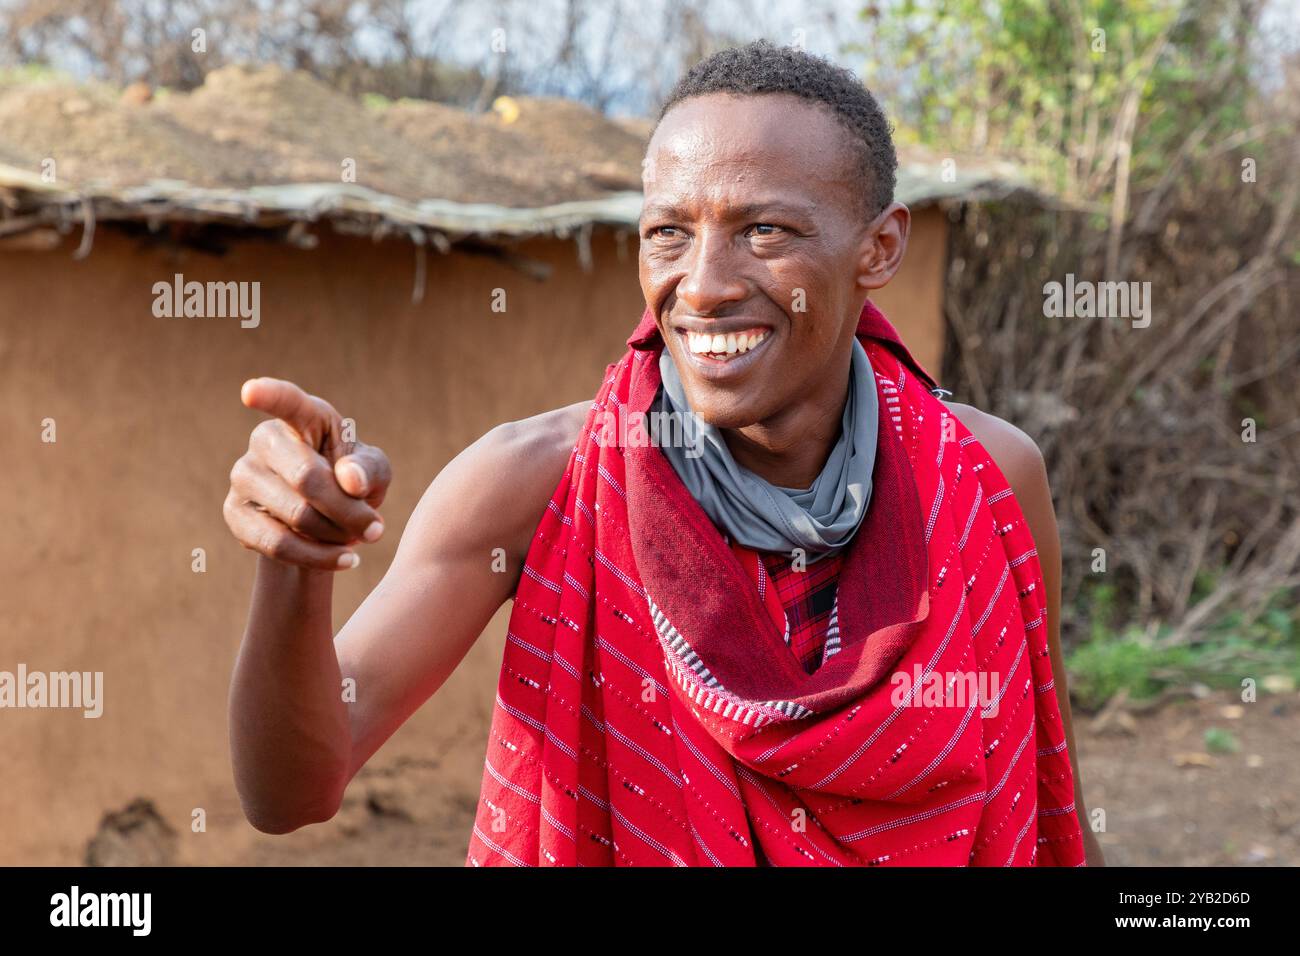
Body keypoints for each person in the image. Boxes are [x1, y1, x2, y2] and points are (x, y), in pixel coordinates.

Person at [223, 40, 1103, 866]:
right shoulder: (534, 483)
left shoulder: (984, 478)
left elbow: (1046, 772)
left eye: (767, 232)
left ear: (879, 247)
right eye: (668, 233)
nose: (706, 285)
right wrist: (294, 566)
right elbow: (290, 792)